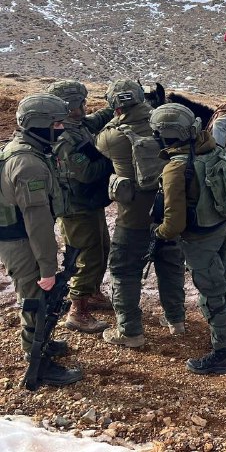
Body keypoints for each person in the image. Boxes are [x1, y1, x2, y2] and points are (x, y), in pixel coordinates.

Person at [0, 94, 82, 386]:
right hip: (22, 240)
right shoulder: (28, 163)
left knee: (38, 297)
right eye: (57, 123)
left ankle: (40, 343)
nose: (61, 128)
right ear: (39, 125)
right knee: (36, 298)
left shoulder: (27, 150)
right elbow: (38, 223)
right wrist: (48, 268)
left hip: (20, 237)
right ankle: (36, 358)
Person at [96, 80, 185, 348]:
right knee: (170, 264)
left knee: (124, 270)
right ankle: (176, 320)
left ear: (116, 105)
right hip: (168, 209)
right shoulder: (165, 125)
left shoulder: (113, 135)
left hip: (133, 215)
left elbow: (97, 143)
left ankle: (130, 331)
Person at [150, 103, 226, 374]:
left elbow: (174, 223)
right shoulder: (211, 149)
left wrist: (159, 233)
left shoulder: (175, 169)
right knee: (222, 285)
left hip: (199, 239)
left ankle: (222, 353)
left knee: (211, 294)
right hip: (220, 227)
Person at [47, 80, 114, 333]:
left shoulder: (76, 124)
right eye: (81, 103)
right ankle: (78, 310)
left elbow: (96, 120)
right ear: (69, 107)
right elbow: (85, 172)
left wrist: (116, 104)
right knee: (86, 256)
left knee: (101, 247)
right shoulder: (63, 138)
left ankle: (92, 292)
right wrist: (112, 161)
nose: (86, 107)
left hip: (89, 201)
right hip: (75, 206)